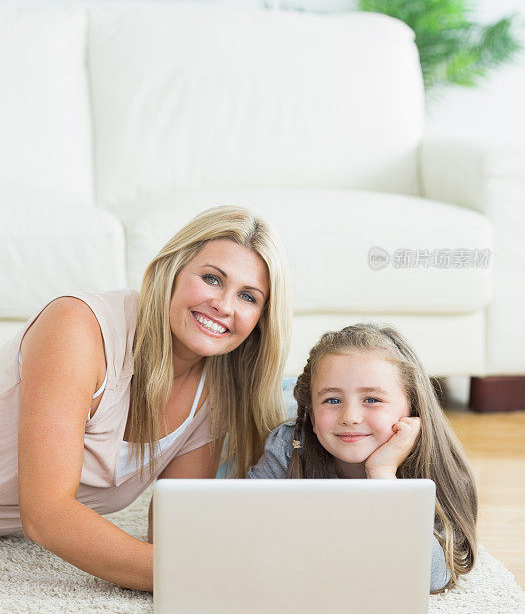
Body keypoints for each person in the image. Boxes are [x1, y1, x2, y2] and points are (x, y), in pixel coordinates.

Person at [0, 205, 292, 592]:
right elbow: (46, 514)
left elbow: (173, 534)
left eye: (248, 297)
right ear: (173, 270)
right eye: (211, 278)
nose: (224, 305)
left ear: (260, 320)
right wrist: (198, 578)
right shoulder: (78, 327)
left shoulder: (218, 392)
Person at [248, 323, 478, 593]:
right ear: (310, 413)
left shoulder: (435, 465)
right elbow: (249, 539)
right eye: (332, 400)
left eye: (372, 399)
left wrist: (382, 474)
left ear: (412, 407)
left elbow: (431, 577)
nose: (350, 417)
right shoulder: (288, 445)